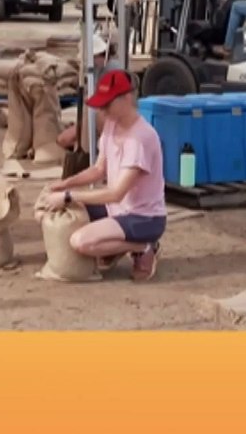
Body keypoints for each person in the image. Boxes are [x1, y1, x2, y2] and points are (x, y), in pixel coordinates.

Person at [42, 69, 166, 282]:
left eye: (107, 104)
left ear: (127, 98)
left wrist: (70, 195)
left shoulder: (140, 139)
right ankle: (113, 245)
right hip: (116, 209)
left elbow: (116, 193)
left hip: (143, 217)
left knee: (81, 242)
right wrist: (64, 184)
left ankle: (144, 246)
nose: (102, 109)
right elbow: (99, 170)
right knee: (51, 210)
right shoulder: (111, 125)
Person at [57, 32, 118, 152]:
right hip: (94, 115)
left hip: (107, 118)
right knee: (63, 139)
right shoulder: (97, 70)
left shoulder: (113, 70)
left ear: (99, 54)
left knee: (67, 140)